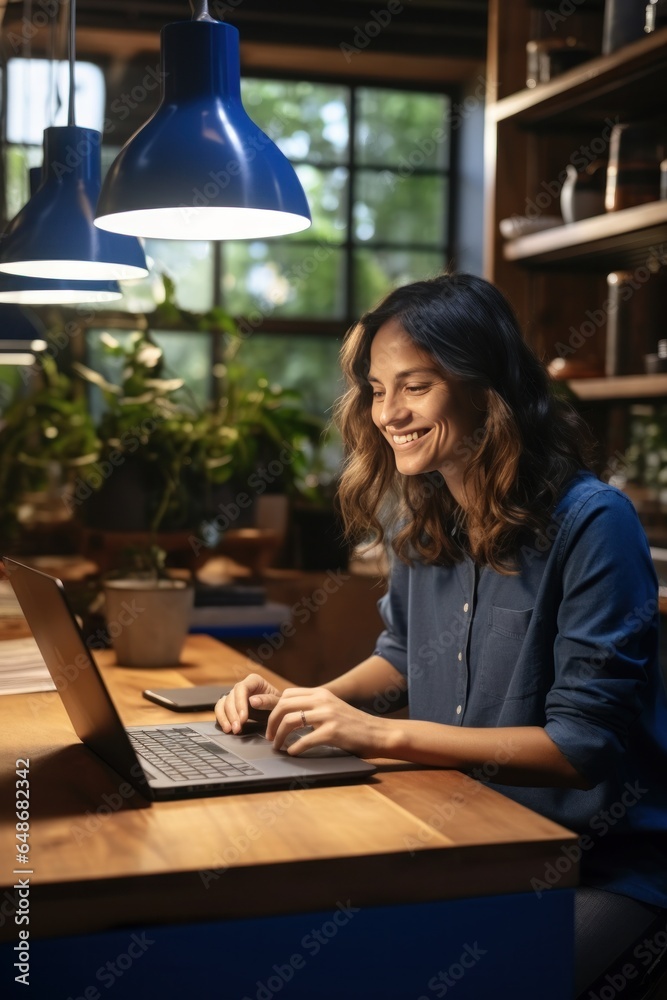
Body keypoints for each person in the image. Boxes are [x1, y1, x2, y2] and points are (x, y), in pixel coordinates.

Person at [215, 271, 667, 998]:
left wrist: (376, 734)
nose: (387, 411)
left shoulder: (593, 524)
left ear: (485, 388)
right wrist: (304, 697)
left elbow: (579, 749)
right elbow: (400, 652)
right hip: (470, 840)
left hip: (606, 868)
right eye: (375, 388)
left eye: (414, 385)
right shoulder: (421, 520)